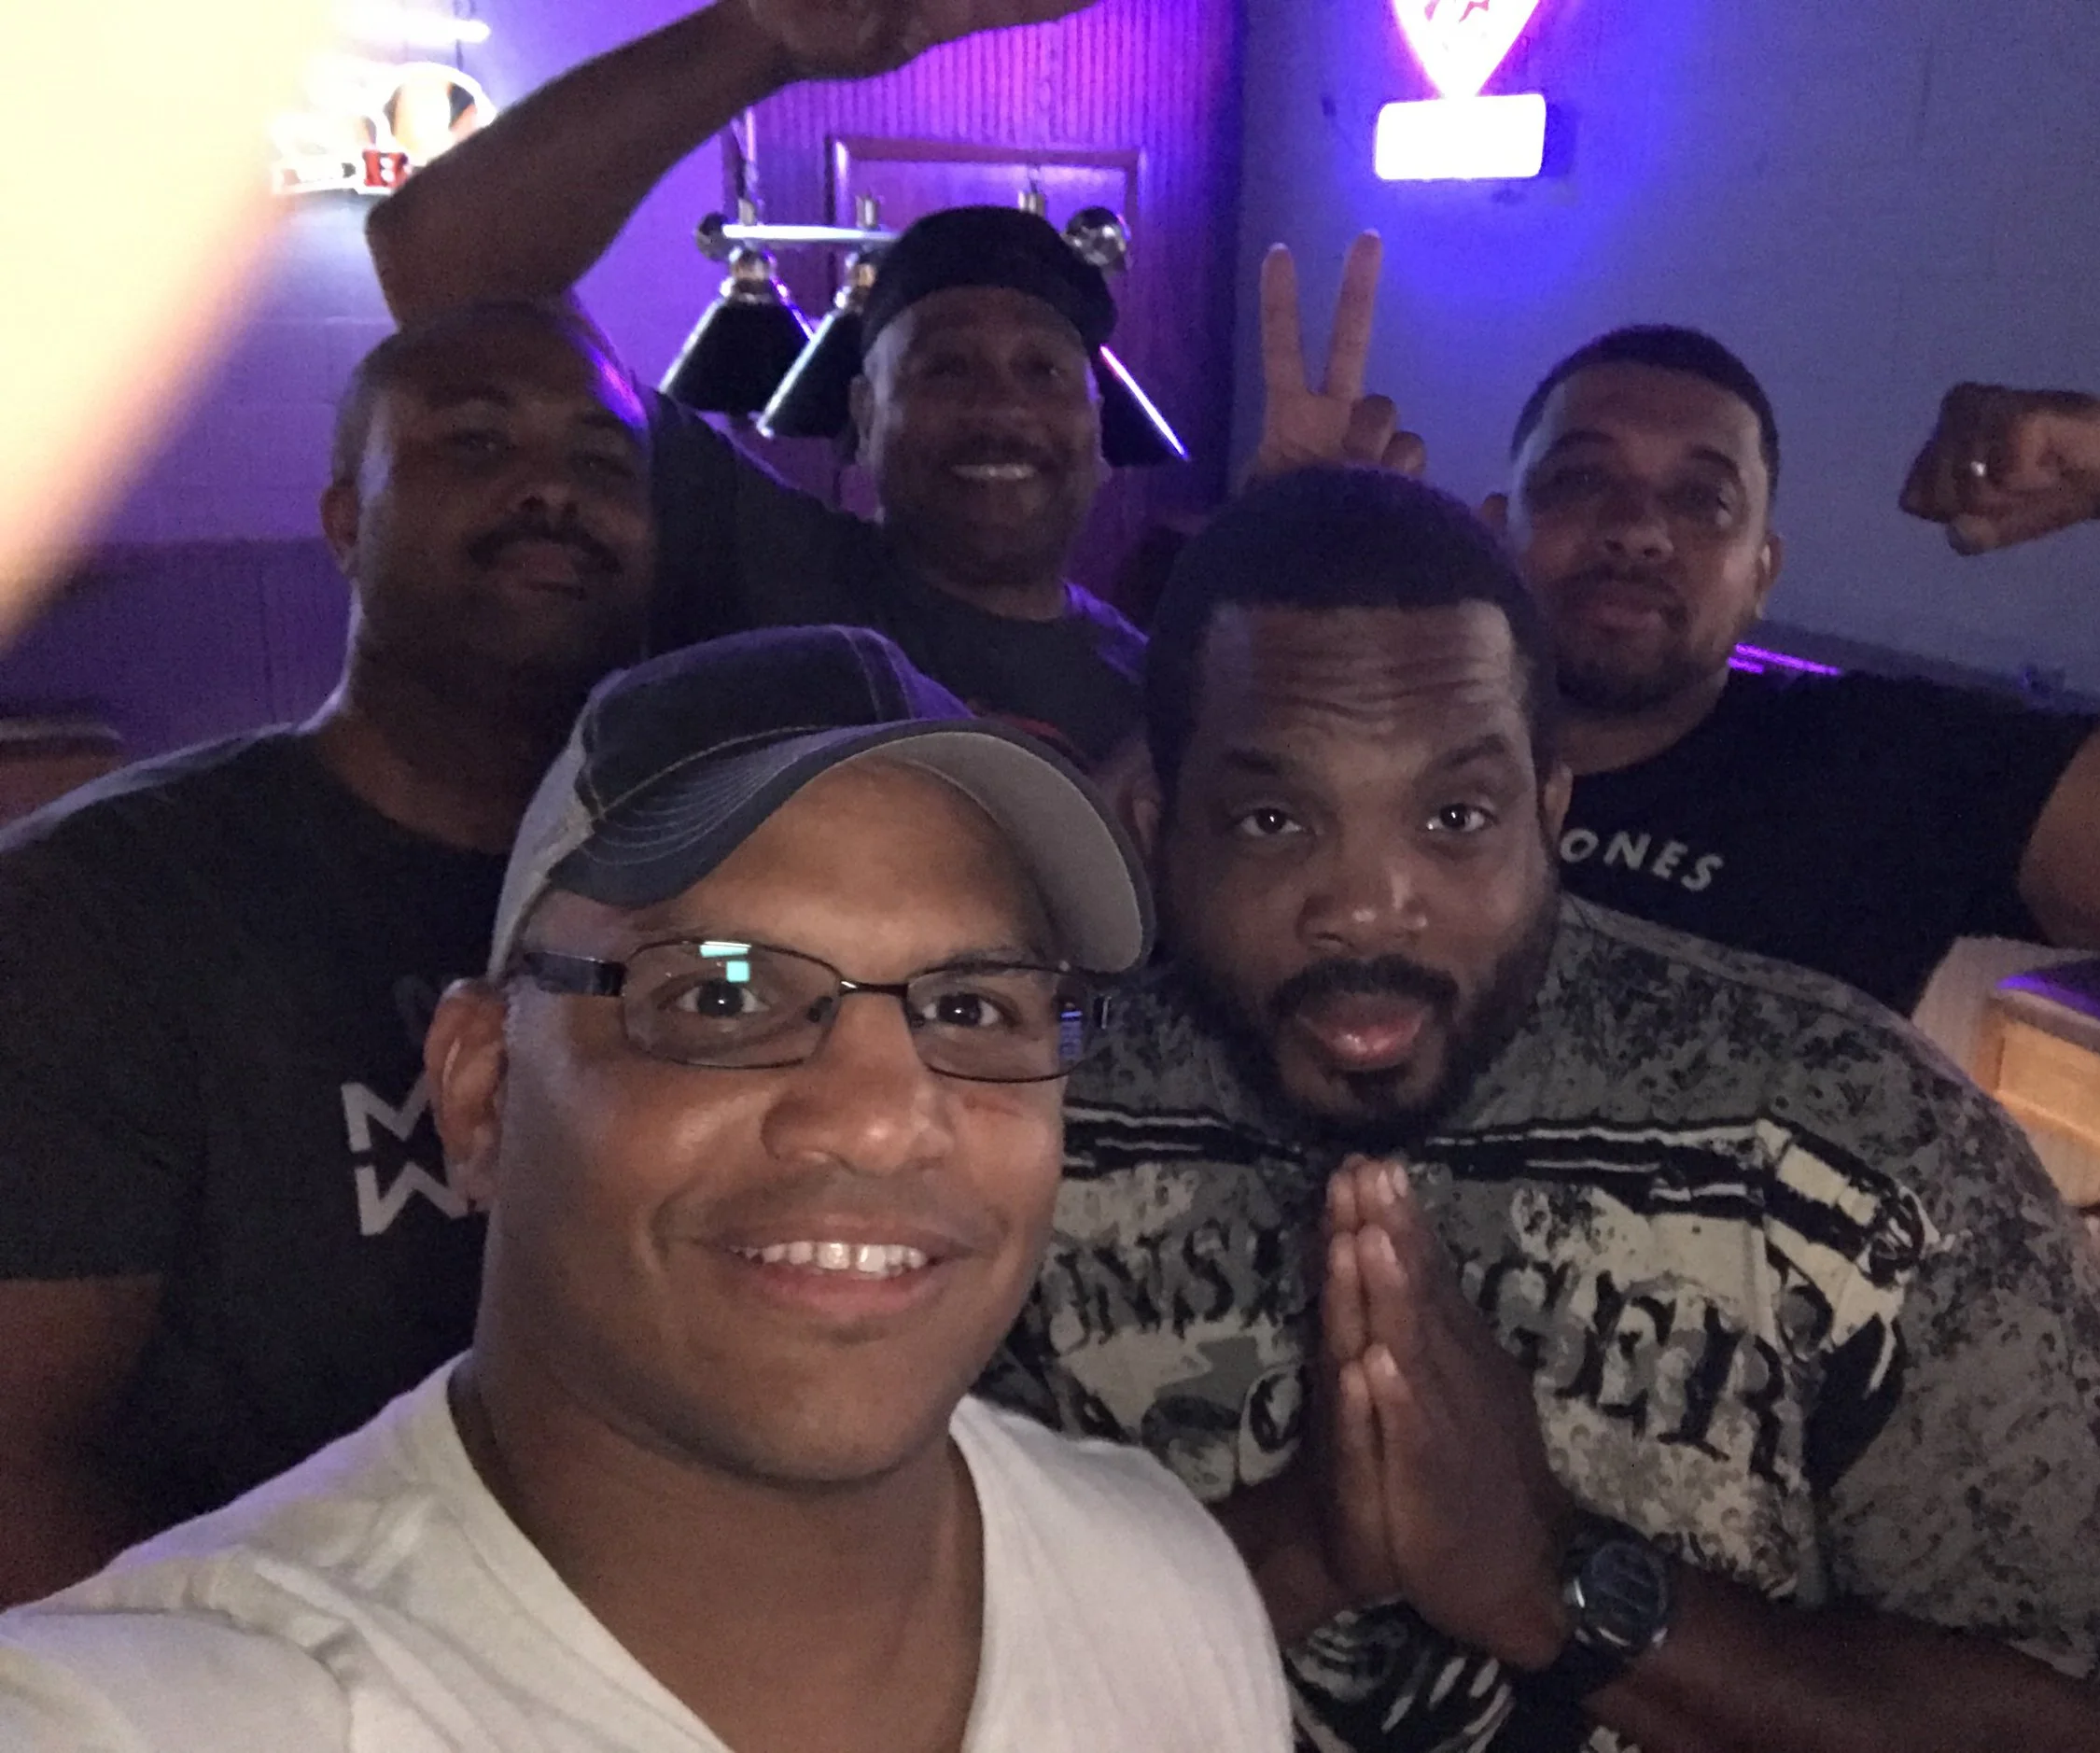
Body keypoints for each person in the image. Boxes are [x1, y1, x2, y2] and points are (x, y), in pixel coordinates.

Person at [986, 467, 2100, 1753]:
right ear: (1156, 823)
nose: (1368, 902)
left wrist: (1557, 1579)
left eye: (1456, 814)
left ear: (1550, 810)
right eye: (1270, 816)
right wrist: (1304, 1542)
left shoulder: (1857, 1144)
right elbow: (914, 1652)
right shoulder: (1023, 1125)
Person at [0, 624, 1291, 1752]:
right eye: (723, 994)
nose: (885, 1115)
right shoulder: (185, 1705)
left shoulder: (1163, 1581)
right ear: (482, 1089)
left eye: (971, 1004)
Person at [0, 301, 657, 1604]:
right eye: (472, 444)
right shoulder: (104, 904)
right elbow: (20, 1461)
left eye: (602, 463)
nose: (549, 489)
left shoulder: (687, 892)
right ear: (345, 524)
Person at [369, 0, 1144, 765]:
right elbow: (440, 262)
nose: (1002, 406)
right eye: (944, 366)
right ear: (863, 417)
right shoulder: (749, 552)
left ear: (1098, 429)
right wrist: (759, 36)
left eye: (1042, 369)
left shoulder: (1164, 694)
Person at [1491, 324, 2100, 1013]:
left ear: (1761, 576)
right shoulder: (1375, 743)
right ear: (1494, 533)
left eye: (1703, 499)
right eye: (1581, 478)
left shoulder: (1878, 765)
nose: (1638, 527)